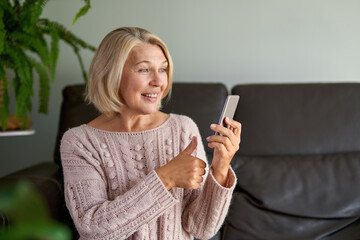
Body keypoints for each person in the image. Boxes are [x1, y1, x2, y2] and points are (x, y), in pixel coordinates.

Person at [60, 27, 241, 240]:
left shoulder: (183, 129)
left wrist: (220, 168)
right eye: (144, 70)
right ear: (112, 74)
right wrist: (165, 179)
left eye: (163, 69)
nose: (158, 81)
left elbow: (201, 229)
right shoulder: (80, 142)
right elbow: (92, 228)